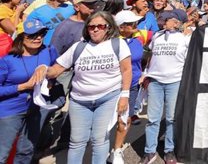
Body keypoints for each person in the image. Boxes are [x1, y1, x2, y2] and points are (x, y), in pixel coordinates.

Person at [31, 11, 132, 164]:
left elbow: (126, 70)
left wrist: (125, 95)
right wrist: (44, 68)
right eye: (91, 27)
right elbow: (57, 69)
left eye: (100, 26)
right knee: (76, 141)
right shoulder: (79, 47)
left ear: (108, 28)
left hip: (107, 98)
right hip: (80, 101)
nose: (95, 30)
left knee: (99, 139)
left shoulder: (118, 44)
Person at [0, 19, 58, 164]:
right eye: (32, 35)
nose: (38, 38)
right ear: (21, 37)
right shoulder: (8, 60)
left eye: (41, 33)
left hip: (36, 109)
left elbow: (55, 71)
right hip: (10, 111)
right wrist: (23, 86)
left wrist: (50, 81)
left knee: (26, 150)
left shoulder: (48, 50)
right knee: (2, 153)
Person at [139, 11, 191, 164]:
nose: (163, 22)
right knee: (153, 119)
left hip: (174, 82)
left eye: (167, 20)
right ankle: (149, 151)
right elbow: (151, 56)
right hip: (155, 81)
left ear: (176, 22)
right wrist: (147, 73)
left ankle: (169, 150)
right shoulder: (156, 36)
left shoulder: (185, 38)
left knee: (171, 118)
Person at [112, 10, 145, 164]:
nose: (136, 25)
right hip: (113, 87)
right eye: (132, 23)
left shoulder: (137, 40)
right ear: (122, 27)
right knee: (109, 121)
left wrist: (144, 75)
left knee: (125, 119)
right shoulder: (112, 42)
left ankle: (117, 150)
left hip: (132, 87)